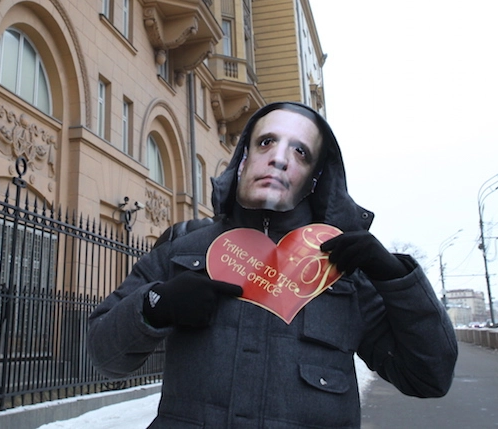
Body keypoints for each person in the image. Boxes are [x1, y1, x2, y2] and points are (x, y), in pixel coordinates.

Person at [87, 102, 458, 428]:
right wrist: (156, 305)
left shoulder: (342, 268)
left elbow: (428, 376)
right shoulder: (181, 248)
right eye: (266, 142)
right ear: (242, 159)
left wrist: (395, 278)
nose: (279, 158)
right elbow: (104, 356)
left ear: (313, 180)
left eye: (300, 152)